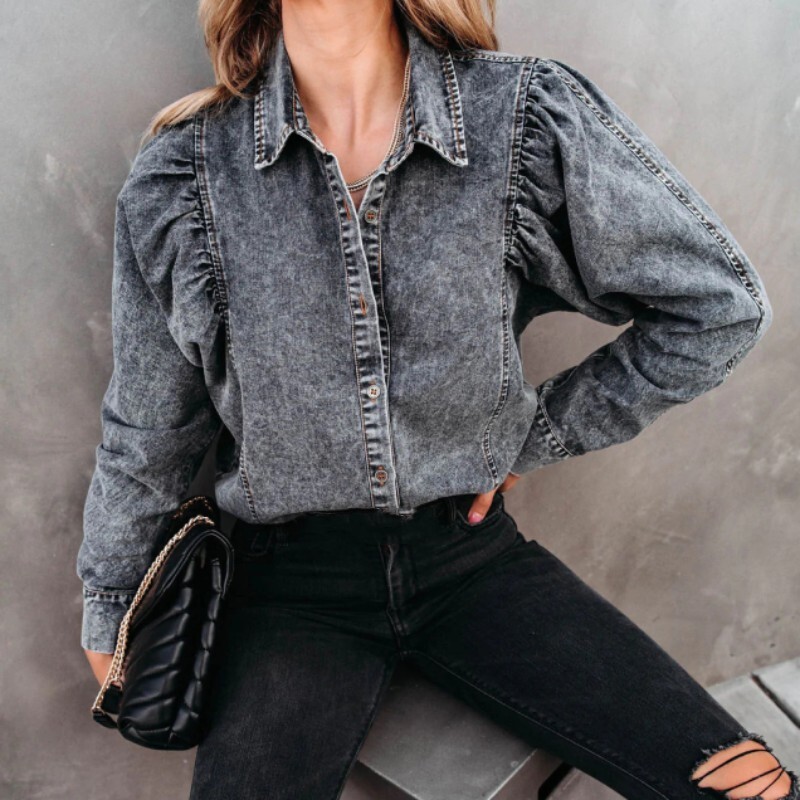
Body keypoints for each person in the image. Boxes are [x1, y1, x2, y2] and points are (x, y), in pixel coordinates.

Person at [77, 1, 797, 799]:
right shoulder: (184, 175)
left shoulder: (522, 117)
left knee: (754, 790)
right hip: (288, 592)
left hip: (471, 559)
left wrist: (535, 435)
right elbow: (148, 426)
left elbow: (718, 308)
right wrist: (110, 600)